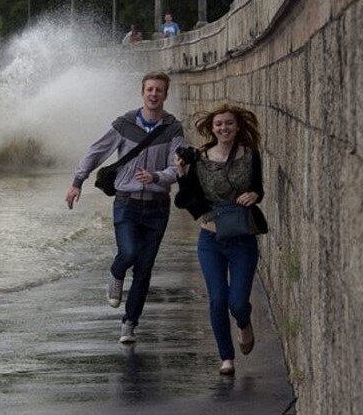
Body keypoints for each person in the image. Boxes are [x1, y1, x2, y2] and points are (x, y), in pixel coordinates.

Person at [65, 71, 185, 344]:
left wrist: (156, 177)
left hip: (157, 206)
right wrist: (77, 182)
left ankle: (129, 324)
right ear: (142, 93)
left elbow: (177, 168)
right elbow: (96, 151)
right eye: (150, 89)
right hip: (126, 203)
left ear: (165, 95)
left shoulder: (174, 129)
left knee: (144, 268)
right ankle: (117, 273)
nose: (154, 94)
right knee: (128, 253)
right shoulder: (124, 123)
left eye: (159, 90)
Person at [173, 104, 269, 375]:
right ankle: (226, 358)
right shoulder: (201, 157)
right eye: (219, 125)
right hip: (210, 240)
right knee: (217, 299)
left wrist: (255, 196)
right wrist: (181, 172)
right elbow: (188, 196)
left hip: (242, 239)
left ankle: (244, 322)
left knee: (237, 302)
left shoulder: (250, 155)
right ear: (212, 129)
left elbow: (258, 188)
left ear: (237, 126)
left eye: (229, 123)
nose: (224, 128)